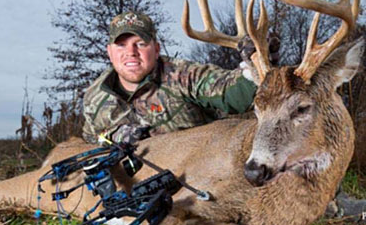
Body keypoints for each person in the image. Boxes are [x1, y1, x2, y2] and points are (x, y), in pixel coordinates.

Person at [82, 11, 259, 144]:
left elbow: (234, 96)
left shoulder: (182, 75)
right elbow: (90, 140)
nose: (131, 53)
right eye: (121, 45)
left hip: (200, 172)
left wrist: (255, 66)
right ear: (109, 52)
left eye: (140, 44)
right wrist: (113, 136)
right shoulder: (95, 98)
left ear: (157, 49)